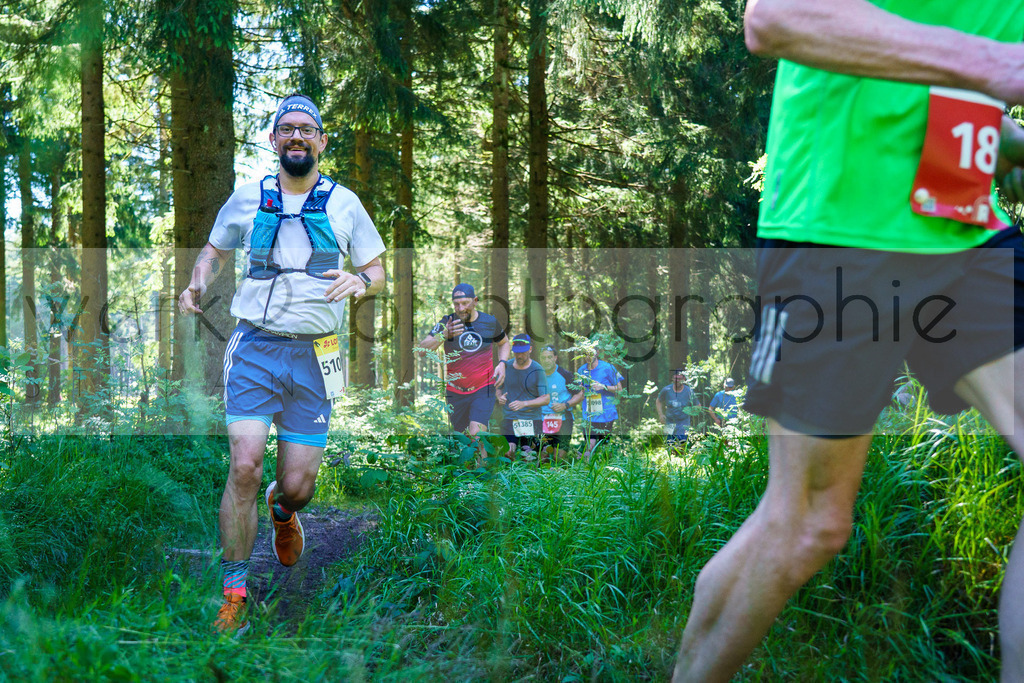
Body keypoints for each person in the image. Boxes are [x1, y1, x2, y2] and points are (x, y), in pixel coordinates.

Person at [673, 2, 1024, 681]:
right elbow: (777, 16)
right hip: (840, 225)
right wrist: (1003, 66)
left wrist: (1006, 140)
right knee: (808, 524)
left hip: (963, 217)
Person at [178, 93, 386, 635]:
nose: (296, 137)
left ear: (321, 141)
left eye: (306, 130)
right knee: (244, 467)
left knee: (298, 486)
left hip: (317, 354)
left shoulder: (346, 204)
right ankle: (235, 594)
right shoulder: (247, 198)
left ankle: (283, 510)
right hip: (255, 346)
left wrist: (360, 280)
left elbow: (377, 268)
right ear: (272, 141)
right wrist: (198, 278)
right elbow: (213, 250)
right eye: (286, 129)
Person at [419, 283, 509, 437]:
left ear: (475, 301)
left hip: (483, 389)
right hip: (455, 391)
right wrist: (444, 335)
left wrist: (502, 364)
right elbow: (421, 350)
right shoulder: (447, 322)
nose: (460, 308)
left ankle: (483, 461)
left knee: (477, 435)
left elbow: (504, 342)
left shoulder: (489, 322)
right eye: (456, 304)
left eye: (465, 303)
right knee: (461, 441)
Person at [495, 334, 549, 457]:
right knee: (508, 452)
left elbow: (546, 398)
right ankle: (511, 476)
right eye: (516, 352)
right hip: (509, 417)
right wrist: (500, 397)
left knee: (530, 456)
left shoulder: (537, 370)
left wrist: (524, 403)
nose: (519, 355)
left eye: (523, 352)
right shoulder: (506, 367)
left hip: (531, 419)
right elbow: (498, 389)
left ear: (530, 349)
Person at [577, 344, 625, 460]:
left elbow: (619, 389)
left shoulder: (608, 368)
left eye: (591, 353)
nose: (588, 356)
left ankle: (605, 469)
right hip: (589, 413)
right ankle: (588, 470)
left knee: (604, 447)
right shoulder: (581, 370)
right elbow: (580, 392)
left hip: (606, 413)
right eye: (585, 354)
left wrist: (603, 386)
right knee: (590, 446)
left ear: (597, 352)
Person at [537, 345, 584, 462]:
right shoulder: (536, 375)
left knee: (558, 457)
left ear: (555, 358)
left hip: (564, 419)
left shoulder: (565, 374)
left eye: (549, 357)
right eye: (544, 358)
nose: (546, 360)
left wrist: (565, 405)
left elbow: (580, 394)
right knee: (543, 457)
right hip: (543, 419)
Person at [656, 369, 700, 449]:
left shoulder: (689, 391)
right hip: (669, 421)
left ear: (684, 380)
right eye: (675, 379)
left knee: (682, 446)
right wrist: (661, 415)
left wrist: (692, 413)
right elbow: (658, 401)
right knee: (669, 444)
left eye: (679, 379)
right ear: (672, 379)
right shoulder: (667, 390)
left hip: (683, 422)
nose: (677, 381)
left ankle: (681, 460)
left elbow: (698, 405)